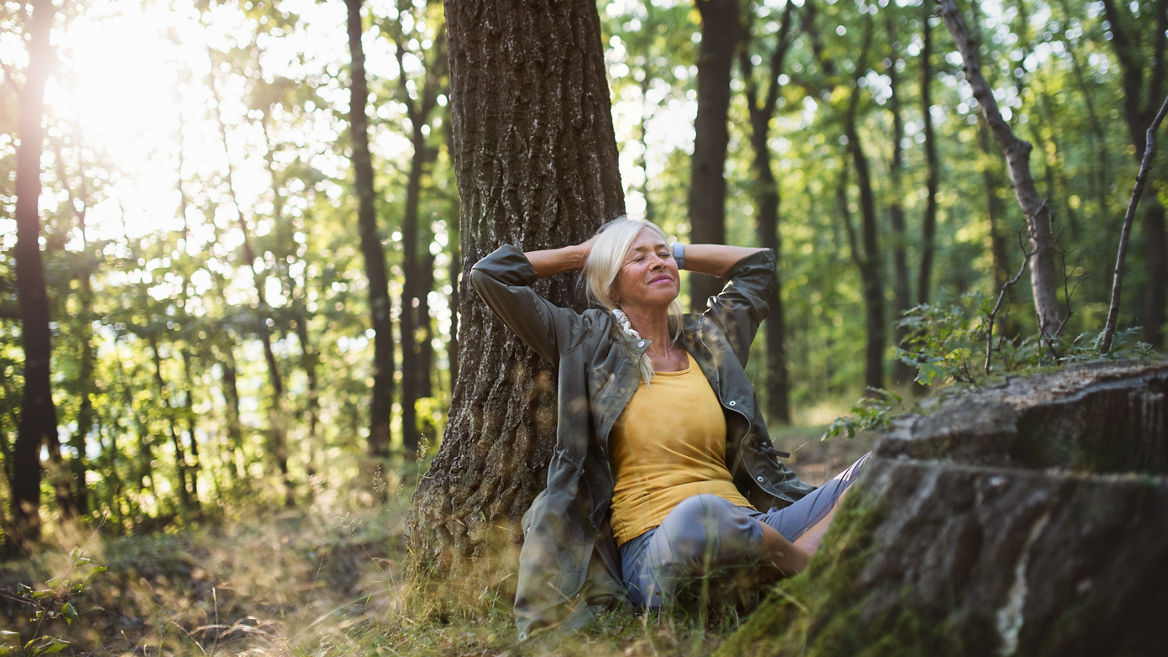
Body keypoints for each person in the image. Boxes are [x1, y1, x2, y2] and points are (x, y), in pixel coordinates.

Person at [469, 216, 869, 639]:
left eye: (663, 256)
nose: (658, 263)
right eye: (637, 258)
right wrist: (585, 254)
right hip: (660, 549)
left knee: (887, 460)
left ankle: (781, 555)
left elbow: (757, 266)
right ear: (612, 285)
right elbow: (491, 276)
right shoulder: (584, 340)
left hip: (752, 526)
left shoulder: (710, 341)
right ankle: (805, 559)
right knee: (701, 514)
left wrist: (669, 252)